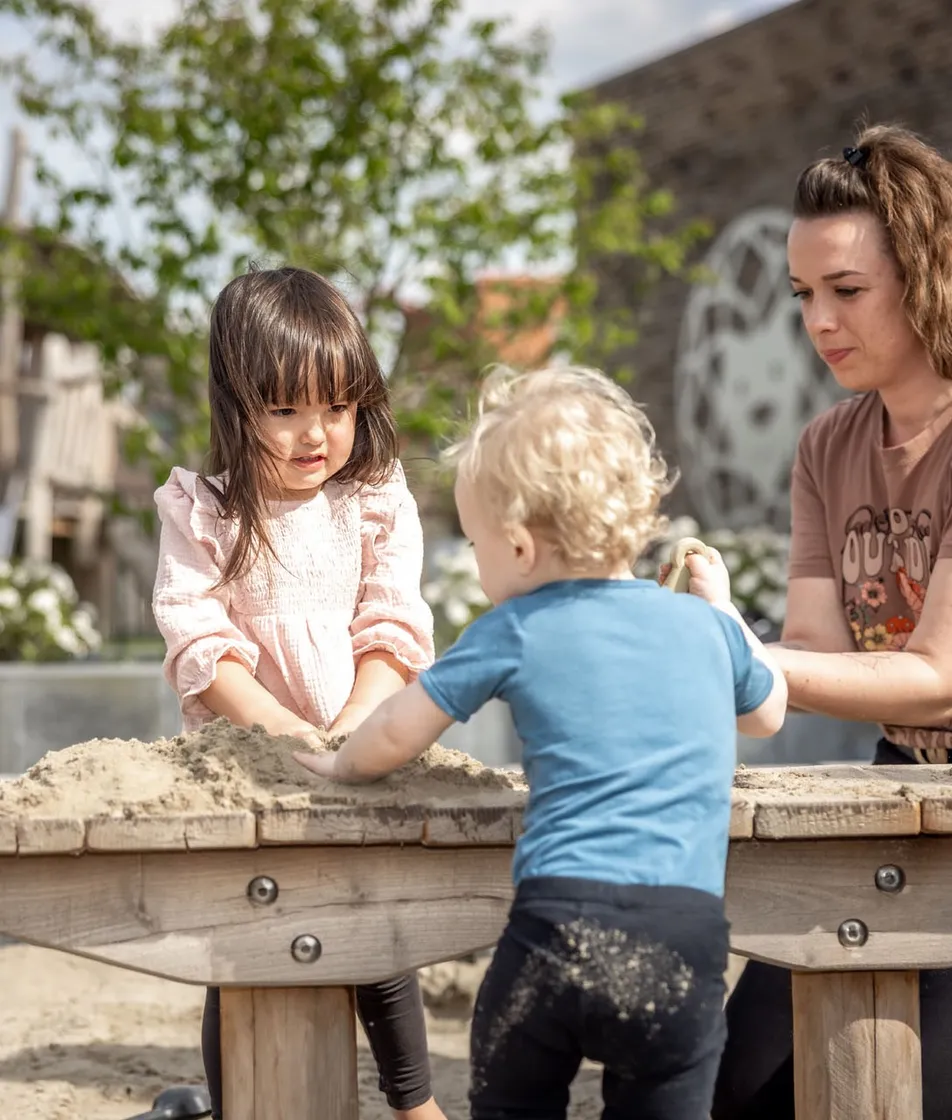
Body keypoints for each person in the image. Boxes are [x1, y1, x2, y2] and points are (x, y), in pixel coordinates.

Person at [296, 364, 787, 1120]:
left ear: (520, 549)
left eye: (474, 544)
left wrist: (339, 760)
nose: (476, 562)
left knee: (513, 1099)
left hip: (558, 930)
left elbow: (397, 728)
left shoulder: (516, 627)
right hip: (682, 949)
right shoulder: (701, 627)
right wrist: (722, 612)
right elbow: (767, 715)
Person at [151, 266, 445, 1120]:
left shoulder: (373, 499)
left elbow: (392, 623)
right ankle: (243, 1094)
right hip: (245, 765)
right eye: (284, 410)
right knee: (243, 943)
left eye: (338, 407)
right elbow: (199, 635)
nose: (315, 433)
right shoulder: (204, 511)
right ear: (235, 404)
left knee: (377, 929)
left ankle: (412, 1102)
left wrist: (355, 724)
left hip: (361, 745)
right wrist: (280, 728)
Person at [711, 125, 952, 1120]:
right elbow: (805, 658)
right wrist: (712, 640)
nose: (817, 319)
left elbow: (938, 672)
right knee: (741, 1092)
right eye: (803, 293)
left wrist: (742, 653)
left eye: (845, 290)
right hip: (897, 793)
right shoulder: (825, 444)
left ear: (926, 270)